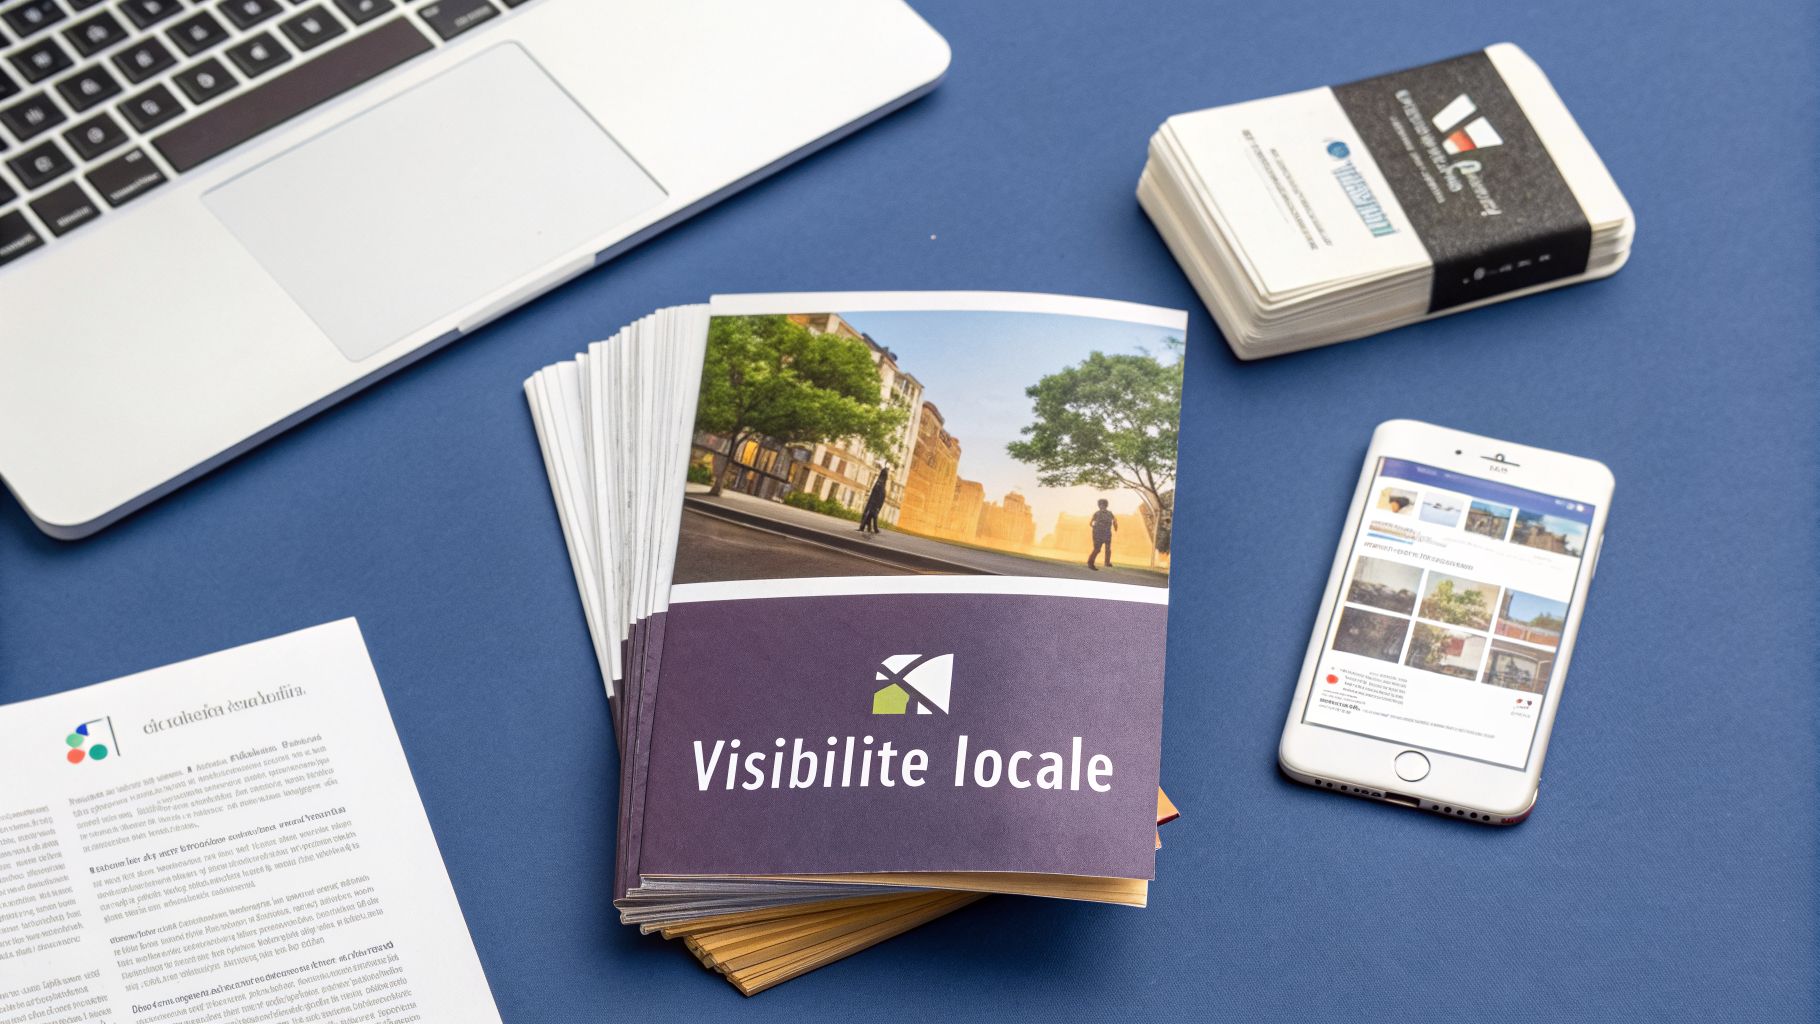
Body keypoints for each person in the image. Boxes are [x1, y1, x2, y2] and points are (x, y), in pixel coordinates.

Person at [1087, 498, 1117, 569]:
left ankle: (1107, 562)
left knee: (1108, 549)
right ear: (1099, 506)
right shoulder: (1097, 513)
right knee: (1097, 549)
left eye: (1103, 505)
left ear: (1106, 505)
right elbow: (1091, 523)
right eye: (1100, 505)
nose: (1102, 506)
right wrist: (1095, 528)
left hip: (1107, 533)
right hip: (1098, 534)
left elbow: (1115, 520)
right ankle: (1090, 563)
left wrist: (1115, 526)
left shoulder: (1110, 513)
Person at [858, 469, 888, 534]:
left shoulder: (879, 482)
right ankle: (872, 528)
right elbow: (878, 495)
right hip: (874, 503)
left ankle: (865, 527)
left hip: (873, 503)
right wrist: (876, 505)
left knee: (870, 515)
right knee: (873, 515)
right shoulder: (880, 483)